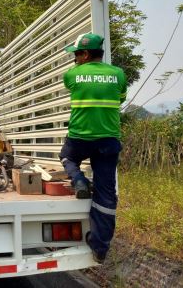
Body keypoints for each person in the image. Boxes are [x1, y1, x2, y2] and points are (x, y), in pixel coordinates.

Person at [58, 32, 127, 264]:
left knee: (67, 157)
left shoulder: (72, 75)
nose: (75, 59)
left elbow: (74, 87)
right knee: (106, 193)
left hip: (79, 138)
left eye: (77, 54)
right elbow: (121, 97)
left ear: (86, 54)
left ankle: (78, 180)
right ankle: (100, 248)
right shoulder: (118, 74)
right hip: (108, 140)